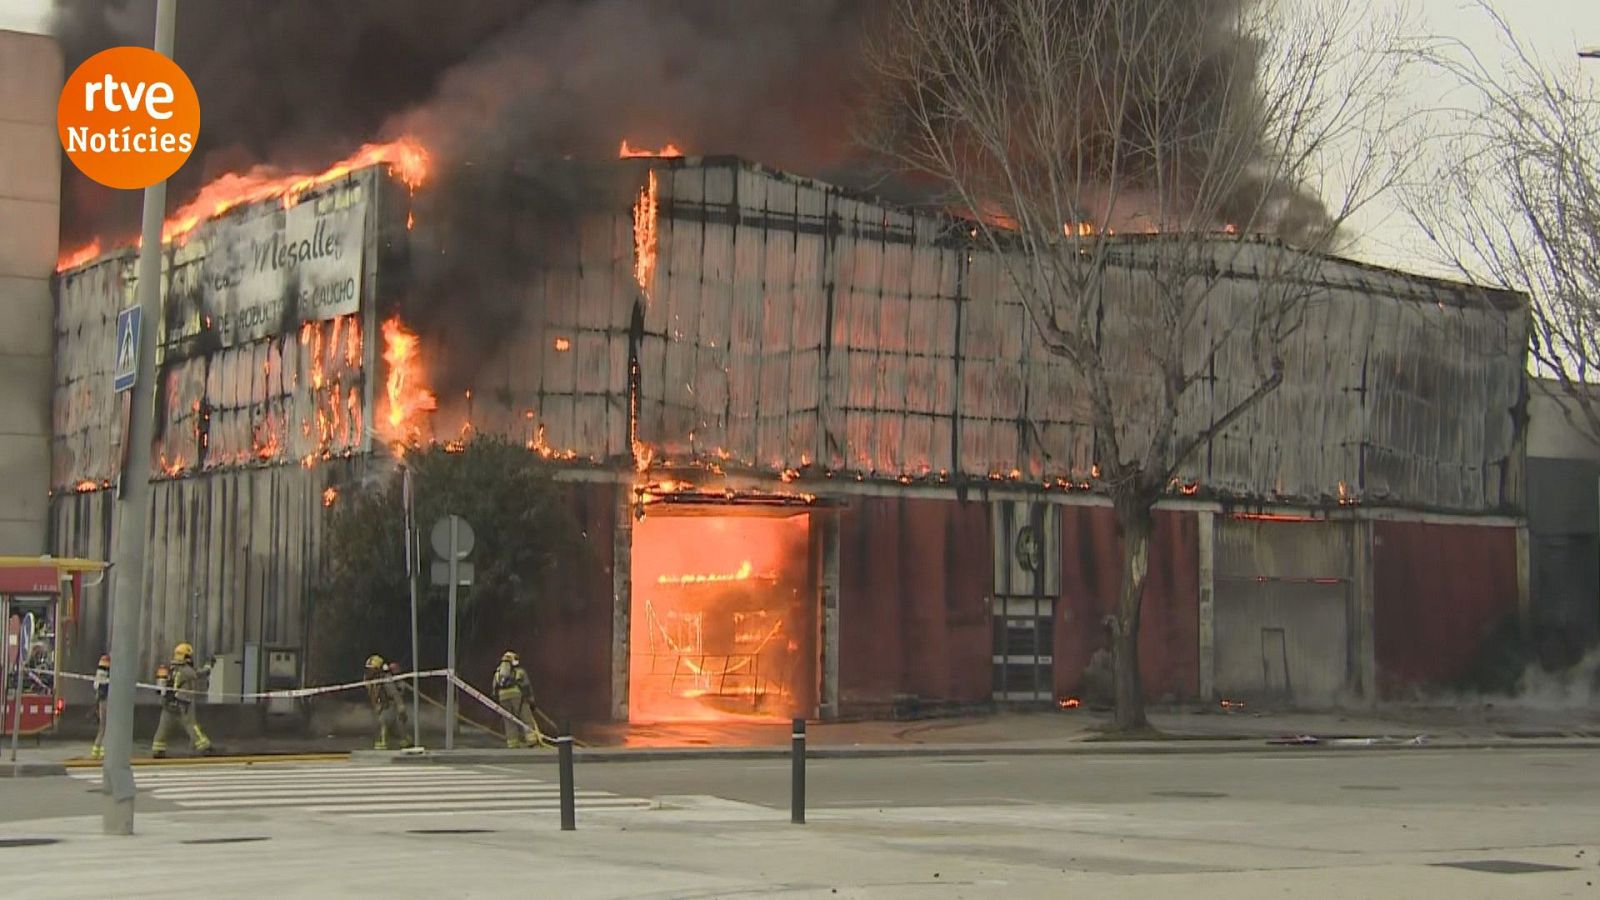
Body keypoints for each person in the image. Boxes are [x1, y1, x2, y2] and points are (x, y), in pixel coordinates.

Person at [151, 642, 212, 758]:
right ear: (186, 656)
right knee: (191, 725)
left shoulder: (170, 669)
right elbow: (197, 674)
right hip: (182, 704)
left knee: (163, 728)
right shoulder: (185, 670)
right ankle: (204, 746)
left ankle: (157, 749)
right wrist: (208, 667)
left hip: (168, 703)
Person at [492, 651, 538, 748]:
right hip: (518, 697)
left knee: (509, 720)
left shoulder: (497, 674)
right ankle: (532, 741)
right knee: (526, 717)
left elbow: (494, 689)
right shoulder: (520, 672)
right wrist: (531, 701)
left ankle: (513, 744)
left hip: (503, 698)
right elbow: (526, 687)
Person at [363, 655, 409, 751]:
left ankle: (390, 740)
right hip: (382, 705)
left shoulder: (385, 680)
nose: (369, 672)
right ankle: (403, 739)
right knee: (389, 724)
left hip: (389, 704)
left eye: (372, 670)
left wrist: (400, 706)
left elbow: (394, 693)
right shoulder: (371, 680)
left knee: (384, 722)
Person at [89, 654, 110, 760]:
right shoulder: (108, 663)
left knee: (103, 726)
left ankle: (96, 750)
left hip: (102, 699)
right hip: (107, 699)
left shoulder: (103, 665)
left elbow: (97, 684)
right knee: (107, 726)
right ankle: (103, 752)